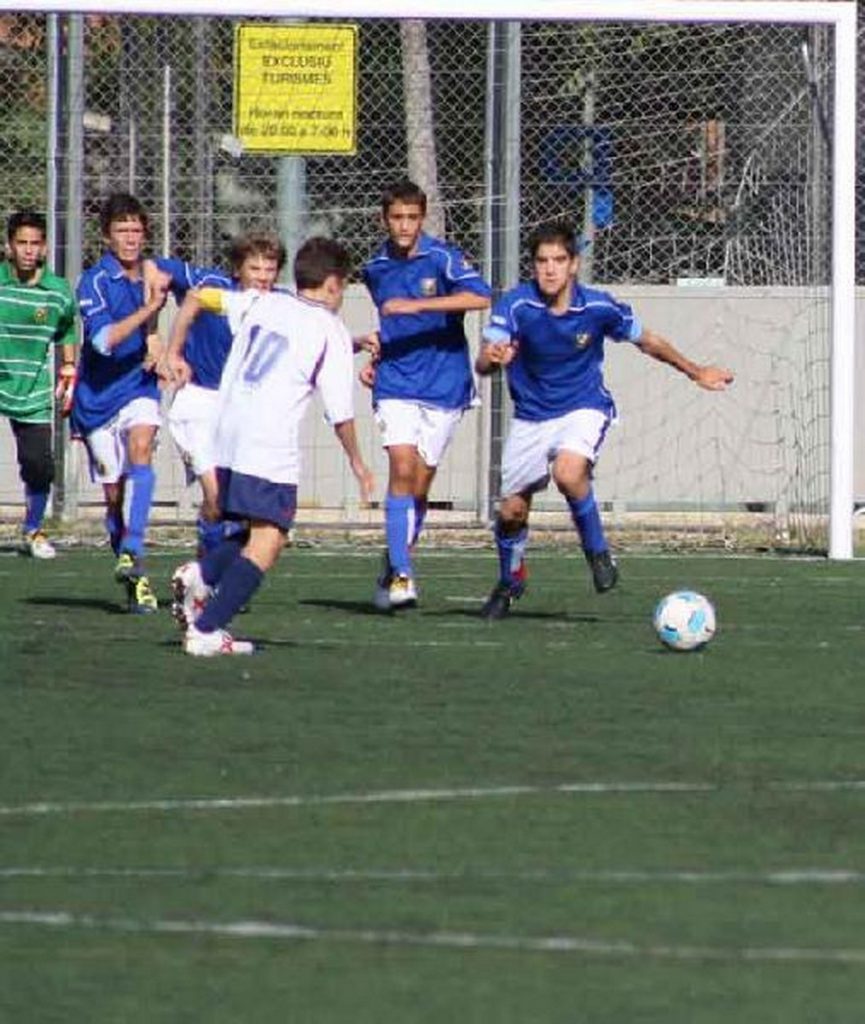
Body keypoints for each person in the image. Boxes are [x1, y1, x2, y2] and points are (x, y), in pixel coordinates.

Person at [475, 220, 734, 619]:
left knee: (569, 472)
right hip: (531, 416)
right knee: (511, 512)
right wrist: (491, 359)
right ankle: (511, 580)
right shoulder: (516, 305)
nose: (550, 269)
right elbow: (486, 359)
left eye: (559, 260)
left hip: (583, 406)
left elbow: (648, 340)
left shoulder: (597, 307)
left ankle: (597, 552)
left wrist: (695, 370)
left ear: (574, 264)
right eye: (542, 261)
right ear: (533, 266)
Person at [169, 236, 374, 657]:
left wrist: (173, 348)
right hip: (266, 444)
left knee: (250, 528)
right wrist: (358, 463)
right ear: (334, 284)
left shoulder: (263, 302)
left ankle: (201, 574)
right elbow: (340, 413)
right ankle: (207, 630)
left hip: (225, 435)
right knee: (271, 539)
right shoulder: (329, 330)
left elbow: (205, 298)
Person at [362, 179, 491, 610]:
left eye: (412, 218)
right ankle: (402, 573)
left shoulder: (442, 258)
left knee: (419, 485)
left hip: (444, 383)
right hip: (396, 381)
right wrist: (378, 352)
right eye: (396, 217)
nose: (404, 226)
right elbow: (392, 321)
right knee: (400, 466)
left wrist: (419, 306)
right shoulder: (376, 267)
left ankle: (395, 557)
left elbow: (481, 297)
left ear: (423, 218)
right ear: (385, 219)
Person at [154, 231, 286, 557]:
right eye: (255, 269)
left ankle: (205, 571)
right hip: (198, 402)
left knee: (231, 504)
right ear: (238, 269)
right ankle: (208, 577)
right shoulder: (213, 285)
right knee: (215, 495)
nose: (263, 277)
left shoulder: (278, 304)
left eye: (270, 270)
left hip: (240, 412)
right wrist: (171, 351)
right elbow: (154, 267)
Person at [71, 192, 170, 613]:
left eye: (136, 230)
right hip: (97, 398)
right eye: (121, 231)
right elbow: (102, 341)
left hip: (138, 387)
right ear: (107, 237)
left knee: (142, 449)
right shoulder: (94, 281)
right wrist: (149, 310)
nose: (130, 238)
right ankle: (135, 576)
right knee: (114, 495)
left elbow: (167, 307)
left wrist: (160, 346)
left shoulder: (153, 274)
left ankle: (133, 546)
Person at [0, 209, 77, 558]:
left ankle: (33, 529)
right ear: (8, 247)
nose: (29, 250)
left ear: (44, 248)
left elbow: (66, 328)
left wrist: (69, 367)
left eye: (35, 243)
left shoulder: (58, 292)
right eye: (22, 243)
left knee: (39, 466)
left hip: (32, 388)